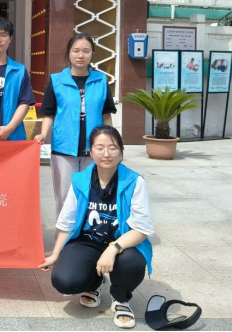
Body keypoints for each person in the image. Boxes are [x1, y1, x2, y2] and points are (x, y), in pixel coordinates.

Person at [39, 126, 154, 330]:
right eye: (99, 148)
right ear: (90, 152)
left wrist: (113, 248)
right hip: (88, 241)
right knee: (63, 280)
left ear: (121, 151)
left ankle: (121, 299)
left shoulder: (134, 182)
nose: (106, 153)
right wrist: (55, 254)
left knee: (133, 263)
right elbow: (66, 222)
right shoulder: (80, 180)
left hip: (123, 243)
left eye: (113, 147)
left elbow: (141, 229)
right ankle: (96, 283)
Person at [35, 33, 117, 218]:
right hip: (64, 149)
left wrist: (111, 141)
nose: (81, 55)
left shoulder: (101, 80)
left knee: (92, 195)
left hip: (94, 149)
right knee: (65, 197)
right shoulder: (56, 80)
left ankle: (87, 233)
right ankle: (64, 234)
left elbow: (106, 114)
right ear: (69, 53)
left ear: (92, 53)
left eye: (86, 51)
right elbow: (49, 113)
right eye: (76, 51)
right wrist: (44, 134)